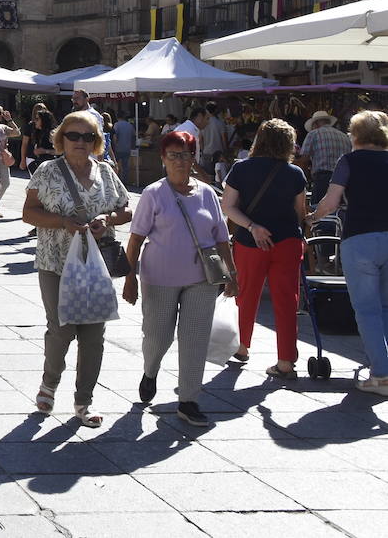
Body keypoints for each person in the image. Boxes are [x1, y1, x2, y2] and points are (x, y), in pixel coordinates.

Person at [22, 110, 132, 427]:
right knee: (61, 327)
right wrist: (62, 223)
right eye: (74, 136)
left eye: (88, 137)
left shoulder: (106, 172)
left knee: (93, 335)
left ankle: (84, 401)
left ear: (96, 141)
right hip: (56, 262)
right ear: (62, 139)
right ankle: (49, 382)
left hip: (95, 264)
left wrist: (107, 220)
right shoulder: (47, 171)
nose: (81, 142)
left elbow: (125, 208)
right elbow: (29, 213)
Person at [122, 130, 238, 427]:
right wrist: (129, 277)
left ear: (193, 158)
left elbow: (221, 237)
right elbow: (135, 240)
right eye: (173, 155)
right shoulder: (153, 193)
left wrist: (232, 274)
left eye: (185, 154)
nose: (180, 161)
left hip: (202, 278)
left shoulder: (207, 193)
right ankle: (151, 371)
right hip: (159, 278)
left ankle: (188, 400)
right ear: (163, 159)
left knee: (195, 339)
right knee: (158, 336)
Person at [306, 110, 388, 396]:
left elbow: (331, 201)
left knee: (366, 310)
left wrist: (314, 216)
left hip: (361, 239)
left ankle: (381, 375)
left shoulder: (349, 161)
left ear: (356, 135)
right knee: (386, 307)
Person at [220, 118, 306, 379]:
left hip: (250, 242)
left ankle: (242, 347)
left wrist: (252, 226)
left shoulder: (241, 168)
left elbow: (228, 206)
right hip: (287, 242)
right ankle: (285, 361)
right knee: (286, 300)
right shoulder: (295, 173)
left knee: (246, 295)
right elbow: (300, 213)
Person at [299, 110, 351, 206]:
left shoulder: (313, 134)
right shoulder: (345, 137)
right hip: (344, 181)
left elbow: (304, 160)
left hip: (323, 178)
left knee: (318, 210)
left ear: (316, 124)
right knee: (340, 212)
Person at [199, 101, 229, 176]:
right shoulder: (220, 123)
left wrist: (202, 151)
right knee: (219, 176)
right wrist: (226, 150)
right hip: (218, 152)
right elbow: (224, 138)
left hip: (206, 152)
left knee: (209, 176)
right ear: (215, 110)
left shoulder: (203, 123)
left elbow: (200, 139)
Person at [28, 108, 57, 173]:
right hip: (41, 164)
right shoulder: (39, 133)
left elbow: (59, 151)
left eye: (37, 119)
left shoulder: (52, 133)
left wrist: (45, 151)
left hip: (51, 166)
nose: (35, 121)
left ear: (44, 120)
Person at [112, 114, 135, 182]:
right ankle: (125, 181)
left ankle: (116, 180)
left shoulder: (117, 124)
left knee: (115, 165)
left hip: (118, 148)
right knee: (125, 166)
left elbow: (115, 136)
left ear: (118, 117)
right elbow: (133, 136)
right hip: (127, 148)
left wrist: (114, 145)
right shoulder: (130, 125)